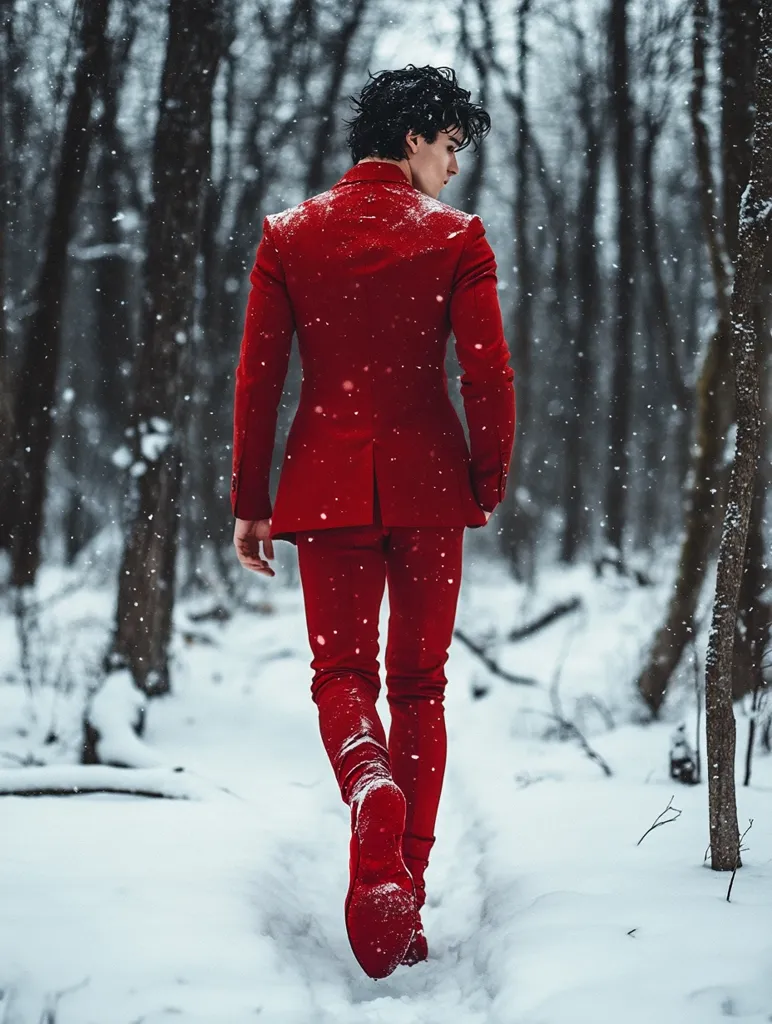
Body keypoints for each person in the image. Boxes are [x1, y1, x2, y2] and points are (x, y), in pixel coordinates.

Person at [230, 64, 516, 978]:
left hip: (324, 490)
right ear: (415, 139)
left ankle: (366, 778)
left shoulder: (290, 234)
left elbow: (258, 378)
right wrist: (486, 472)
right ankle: (403, 891)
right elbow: (488, 375)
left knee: (342, 673)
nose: (454, 170)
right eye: (451, 148)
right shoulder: (457, 239)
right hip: (429, 488)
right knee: (421, 687)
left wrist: (251, 500)